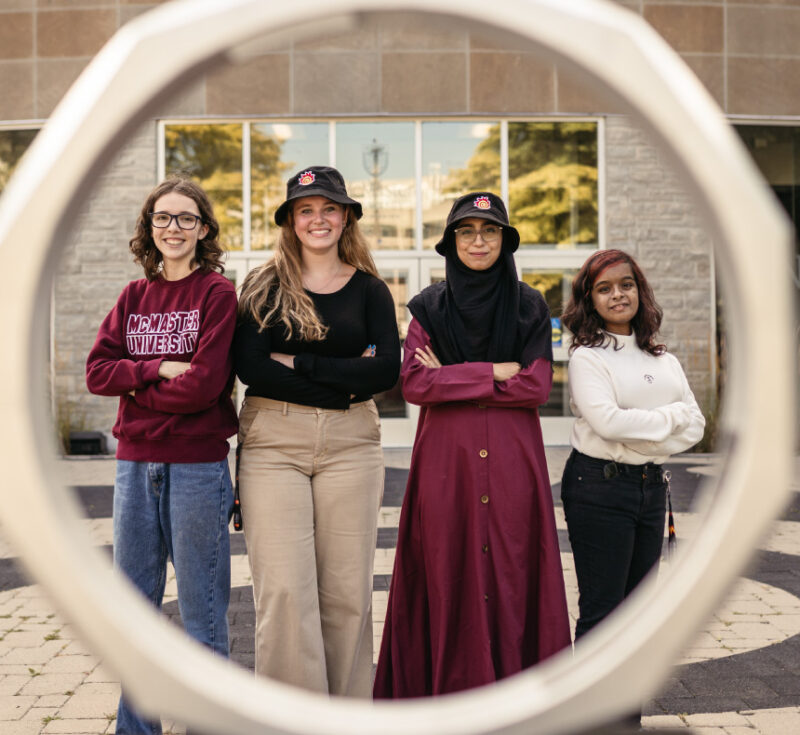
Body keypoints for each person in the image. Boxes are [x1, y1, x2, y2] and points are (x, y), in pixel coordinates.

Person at [373, 192, 572, 698]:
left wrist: (454, 376)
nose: (478, 240)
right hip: (447, 464)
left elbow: (536, 387)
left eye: (489, 231)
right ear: (451, 242)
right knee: (446, 567)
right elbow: (415, 385)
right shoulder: (429, 307)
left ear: (505, 241)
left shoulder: (528, 305)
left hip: (512, 464)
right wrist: (491, 371)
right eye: (466, 231)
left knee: (513, 567)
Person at [234, 165, 400, 697]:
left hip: (352, 446)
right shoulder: (263, 286)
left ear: (347, 216)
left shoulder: (371, 290)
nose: (319, 218)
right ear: (291, 221)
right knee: (284, 591)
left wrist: (300, 364)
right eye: (306, 209)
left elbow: (385, 372)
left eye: (330, 208)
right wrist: (344, 381)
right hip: (273, 446)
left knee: (348, 592)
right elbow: (253, 367)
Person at [86, 178, 238, 734]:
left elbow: (204, 387)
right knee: (135, 613)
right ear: (149, 228)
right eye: (163, 218)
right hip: (133, 465)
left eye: (186, 218)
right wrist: (154, 368)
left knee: (202, 613)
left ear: (203, 230)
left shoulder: (217, 294)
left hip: (197, 467)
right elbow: (97, 371)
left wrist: (134, 389)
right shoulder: (133, 297)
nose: (173, 228)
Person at [560, 248, 705, 644]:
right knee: (604, 613)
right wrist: (670, 418)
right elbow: (608, 422)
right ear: (589, 300)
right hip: (599, 488)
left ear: (639, 290)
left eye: (626, 284)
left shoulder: (664, 359)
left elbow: (697, 426)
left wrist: (644, 433)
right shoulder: (588, 358)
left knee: (639, 614)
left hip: (651, 488)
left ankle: (626, 710)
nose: (618, 294)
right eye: (604, 289)